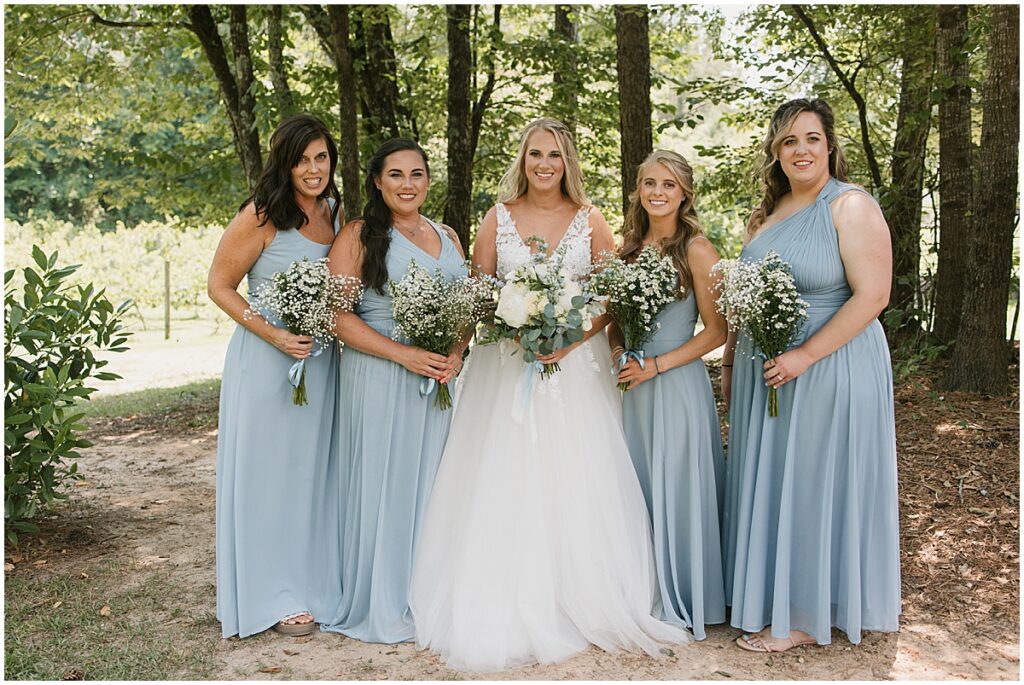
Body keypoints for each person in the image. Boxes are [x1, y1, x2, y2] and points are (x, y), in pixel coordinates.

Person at [409, 118, 690, 672]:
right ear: (523, 158)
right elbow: (476, 294)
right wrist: (464, 348)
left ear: (568, 163)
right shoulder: (498, 218)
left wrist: (569, 339)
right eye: (535, 153)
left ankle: (579, 592)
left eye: (555, 155)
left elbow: (611, 299)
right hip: (504, 367)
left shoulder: (592, 221)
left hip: (574, 372)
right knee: (504, 473)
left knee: (575, 475)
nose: (544, 164)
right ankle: (502, 588)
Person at [721, 98, 901, 652]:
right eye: (789, 141)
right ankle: (768, 594)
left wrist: (805, 355)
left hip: (831, 364)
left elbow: (873, 295)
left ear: (830, 147)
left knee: (813, 480)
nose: (801, 150)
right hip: (766, 368)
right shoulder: (766, 215)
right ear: (775, 153)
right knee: (780, 478)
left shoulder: (850, 206)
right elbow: (742, 300)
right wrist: (731, 365)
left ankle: (804, 614)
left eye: (811, 139)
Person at [320, 138, 467, 643]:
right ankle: (381, 598)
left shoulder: (446, 234)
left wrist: (458, 350)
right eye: (397, 175)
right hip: (380, 375)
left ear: (429, 180)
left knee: (433, 483)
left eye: (417, 174)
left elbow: (465, 307)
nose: (408, 184)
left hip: (440, 379)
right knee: (386, 482)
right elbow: (337, 318)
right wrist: (403, 354)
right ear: (378, 182)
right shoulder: (359, 235)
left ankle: (427, 593)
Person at [208, 114, 343, 638]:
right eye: (302, 159)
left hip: (321, 362)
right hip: (269, 362)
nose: (313, 169)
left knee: (311, 476)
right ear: (283, 163)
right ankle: (273, 592)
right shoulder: (262, 214)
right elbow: (220, 286)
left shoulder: (333, 210)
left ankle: (311, 581)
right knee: (271, 476)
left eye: (322, 158)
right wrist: (276, 336)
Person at [609, 150, 728, 641]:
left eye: (669, 185)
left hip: (675, 383)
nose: (658, 193)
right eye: (650, 184)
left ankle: (689, 594)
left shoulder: (698, 250)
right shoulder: (626, 249)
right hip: (630, 385)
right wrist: (620, 354)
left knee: (677, 484)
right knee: (634, 486)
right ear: (638, 190)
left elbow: (717, 331)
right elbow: (613, 321)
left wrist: (656, 364)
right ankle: (642, 591)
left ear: (685, 193)